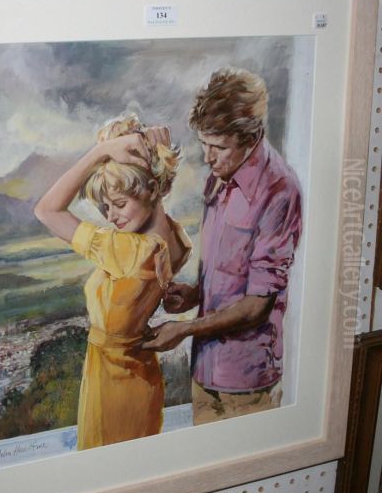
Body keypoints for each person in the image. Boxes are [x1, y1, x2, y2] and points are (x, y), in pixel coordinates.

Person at [142, 67, 302, 425]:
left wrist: (183, 329)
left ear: (252, 137)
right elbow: (231, 273)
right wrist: (194, 295)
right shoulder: (218, 179)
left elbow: (257, 306)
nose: (208, 158)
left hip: (248, 382)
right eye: (204, 144)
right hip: (204, 369)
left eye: (218, 147)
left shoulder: (279, 191)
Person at [35, 114, 192, 450]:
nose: (111, 217)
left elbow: (46, 211)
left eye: (119, 204)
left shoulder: (128, 250)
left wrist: (101, 152)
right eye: (105, 207)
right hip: (143, 378)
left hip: (110, 383)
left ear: (153, 190)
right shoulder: (176, 240)